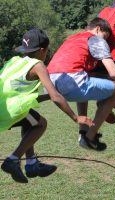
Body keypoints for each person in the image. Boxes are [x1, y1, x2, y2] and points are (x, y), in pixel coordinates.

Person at [0, 28, 93, 183]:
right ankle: (13, 159)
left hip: (3, 105)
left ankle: (31, 164)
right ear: (43, 50)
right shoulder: (38, 65)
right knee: (41, 124)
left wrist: (48, 96)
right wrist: (76, 117)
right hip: (8, 109)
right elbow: (56, 96)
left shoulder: (15, 61)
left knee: (31, 121)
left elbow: (20, 91)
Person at [47, 18, 115, 151]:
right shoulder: (96, 39)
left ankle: (83, 131)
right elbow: (113, 72)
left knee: (87, 77)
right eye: (105, 37)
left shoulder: (72, 39)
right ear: (98, 29)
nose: (105, 41)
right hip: (71, 81)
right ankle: (90, 137)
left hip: (51, 84)